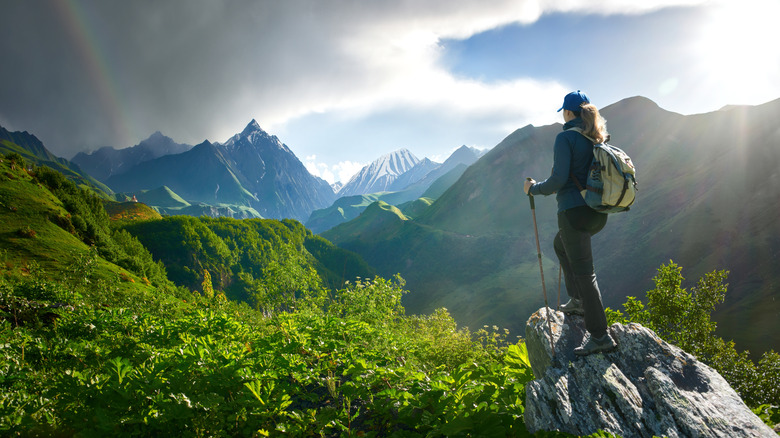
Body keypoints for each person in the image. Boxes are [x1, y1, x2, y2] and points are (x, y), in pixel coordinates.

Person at [523, 90, 617, 356]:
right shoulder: (596, 137)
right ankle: (577, 300)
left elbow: (558, 180)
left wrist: (533, 189)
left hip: (573, 213)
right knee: (561, 245)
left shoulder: (565, 138)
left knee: (586, 273)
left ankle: (599, 335)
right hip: (597, 213)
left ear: (567, 112)